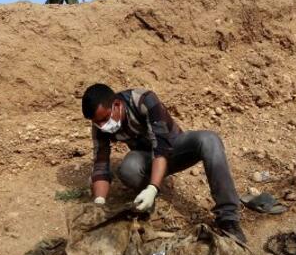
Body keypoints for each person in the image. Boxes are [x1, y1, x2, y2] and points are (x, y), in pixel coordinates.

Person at [81, 84, 246, 242]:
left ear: (117, 105)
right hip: (148, 159)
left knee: (209, 140)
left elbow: (160, 147)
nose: (102, 126)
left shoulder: (143, 100)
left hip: (175, 149)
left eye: (104, 119)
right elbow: (101, 165)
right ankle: (146, 201)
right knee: (128, 167)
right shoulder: (100, 126)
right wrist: (99, 203)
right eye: (97, 122)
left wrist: (153, 187)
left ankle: (228, 218)